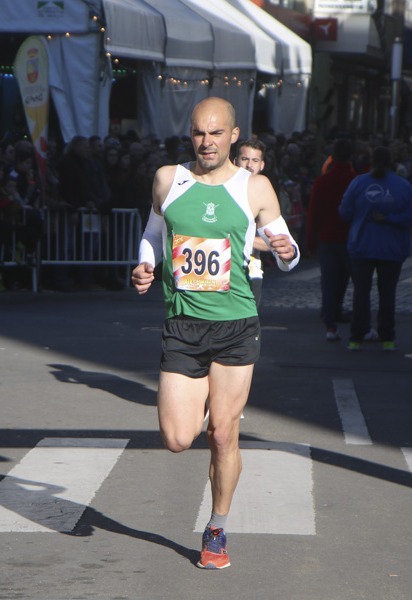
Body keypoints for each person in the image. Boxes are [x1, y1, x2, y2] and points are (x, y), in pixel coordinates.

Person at [130, 97, 299, 570]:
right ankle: (208, 404)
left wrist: (285, 251)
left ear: (233, 135)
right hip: (182, 326)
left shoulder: (255, 187)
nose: (207, 142)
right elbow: (152, 233)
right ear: (192, 135)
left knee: (223, 435)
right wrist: (146, 263)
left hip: (236, 325)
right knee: (178, 437)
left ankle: (217, 529)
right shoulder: (169, 179)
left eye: (216, 133)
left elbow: (290, 253)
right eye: (199, 134)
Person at [339, 145, 412, 351]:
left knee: (360, 293)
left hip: (363, 245)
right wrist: (391, 219)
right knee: (387, 294)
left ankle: (356, 337)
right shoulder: (402, 185)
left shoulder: (359, 182)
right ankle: (387, 338)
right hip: (392, 248)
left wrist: (362, 217)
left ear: (371, 161)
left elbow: (344, 212)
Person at [306, 138, 356, 341]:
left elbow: (314, 213)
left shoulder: (322, 181)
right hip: (349, 238)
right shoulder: (355, 180)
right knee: (348, 278)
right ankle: (339, 309)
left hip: (327, 238)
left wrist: (310, 242)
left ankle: (330, 323)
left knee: (328, 280)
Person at [235, 139, 271, 305]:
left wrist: (234, 237)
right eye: (245, 159)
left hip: (251, 271)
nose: (249, 165)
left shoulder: (266, 195)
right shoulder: (221, 190)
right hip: (217, 272)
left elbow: (269, 243)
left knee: (247, 329)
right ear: (235, 161)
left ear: (261, 165)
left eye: (255, 160)